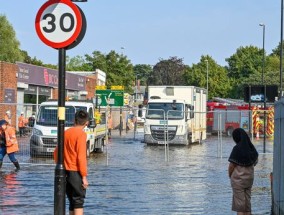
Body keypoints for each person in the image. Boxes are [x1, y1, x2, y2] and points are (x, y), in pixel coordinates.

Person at [54, 110, 89, 215]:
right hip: (76, 171)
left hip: (65, 171)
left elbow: (56, 153)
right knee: (78, 201)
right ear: (86, 122)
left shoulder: (66, 132)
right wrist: (84, 176)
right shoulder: (81, 135)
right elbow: (81, 157)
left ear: (74, 120)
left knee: (71, 201)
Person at [228, 128, 258, 215]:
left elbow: (231, 166)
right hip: (249, 179)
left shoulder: (236, 149)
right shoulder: (251, 147)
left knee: (240, 206)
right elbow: (255, 161)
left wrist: (230, 175)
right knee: (247, 204)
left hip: (238, 181)